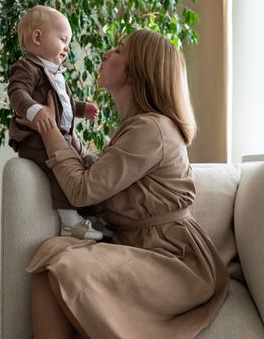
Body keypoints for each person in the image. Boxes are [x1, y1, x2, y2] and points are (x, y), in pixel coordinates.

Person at [17, 29, 230, 339]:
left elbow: (82, 190)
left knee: (65, 267)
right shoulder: (136, 126)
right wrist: (60, 126)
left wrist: (49, 129)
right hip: (137, 246)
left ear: (137, 71)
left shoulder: (151, 128)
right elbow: (92, 171)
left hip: (173, 261)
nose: (106, 54)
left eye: (117, 51)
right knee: (47, 257)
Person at [8, 5, 104, 241]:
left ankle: (92, 215)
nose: (67, 47)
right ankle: (69, 223)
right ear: (38, 37)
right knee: (59, 171)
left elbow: (66, 103)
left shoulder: (56, 72)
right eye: (62, 39)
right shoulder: (28, 67)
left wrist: (82, 109)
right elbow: (17, 92)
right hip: (36, 138)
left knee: (85, 166)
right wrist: (35, 111)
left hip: (64, 136)